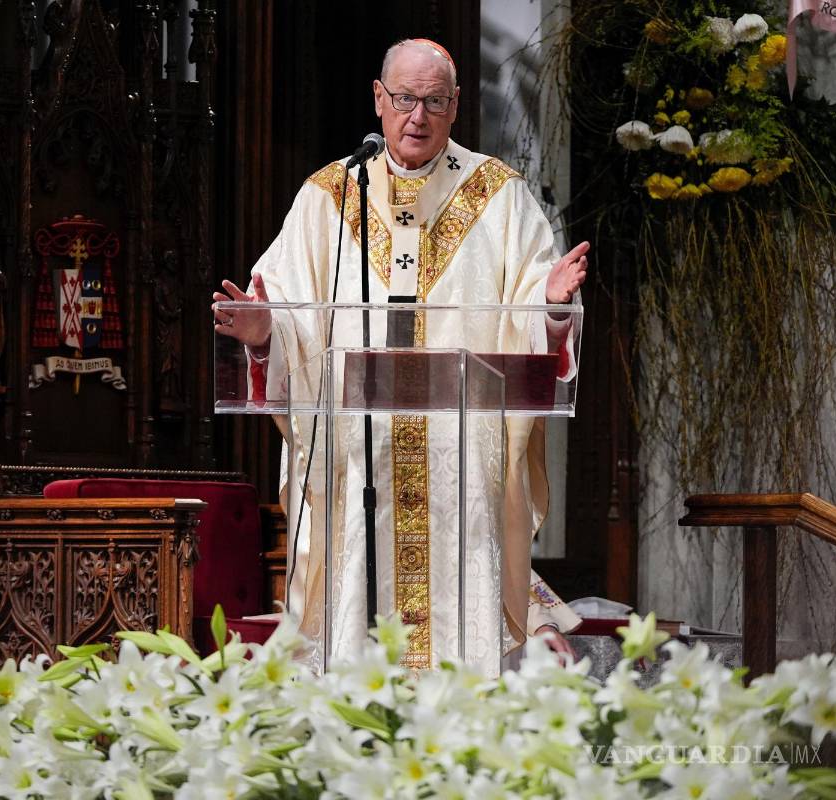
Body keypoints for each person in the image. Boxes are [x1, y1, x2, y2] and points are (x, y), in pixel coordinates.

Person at [213, 39, 587, 674]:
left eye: (435, 101)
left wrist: (549, 309)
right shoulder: (331, 195)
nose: (419, 115)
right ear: (379, 99)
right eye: (406, 99)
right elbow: (290, 312)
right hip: (362, 454)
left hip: (460, 460)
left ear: (457, 104)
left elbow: (531, 317)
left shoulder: (499, 195)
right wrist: (264, 332)